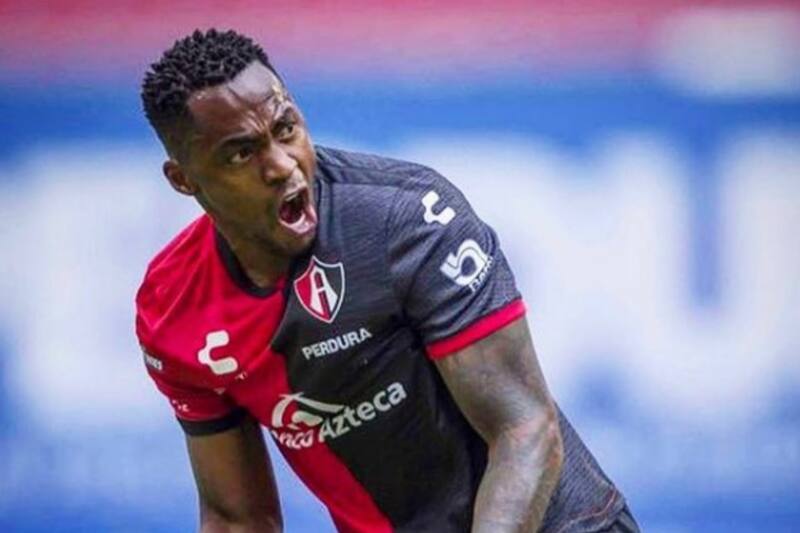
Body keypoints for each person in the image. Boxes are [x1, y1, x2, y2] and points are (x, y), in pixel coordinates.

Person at [135, 28, 639, 533]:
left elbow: (524, 432)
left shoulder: (407, 218)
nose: (283, 165)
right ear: (183, 179)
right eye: (242, 154)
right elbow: (237, 519)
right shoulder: (172, 309)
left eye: (286, 129)